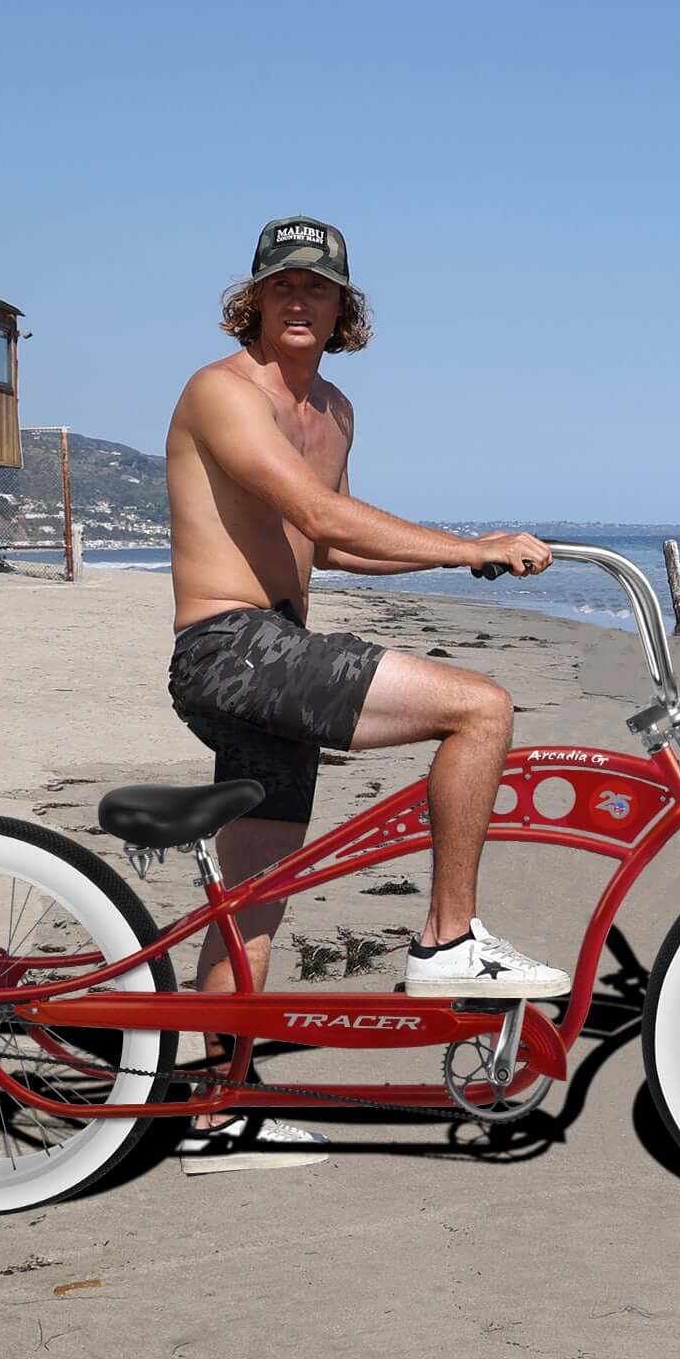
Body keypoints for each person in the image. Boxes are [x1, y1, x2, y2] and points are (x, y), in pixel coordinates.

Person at [164, 215, 566, 1173]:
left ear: (344, 307)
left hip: (278, 650)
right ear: (252, 301)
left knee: (256, 900)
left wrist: (459, 567)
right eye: (282, 287)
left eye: (319, 288)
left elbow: (327, 545)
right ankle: (447, 940)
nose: (300, 301)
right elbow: (312, 509)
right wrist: (470, 543)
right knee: (480, 708)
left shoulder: (334, 412)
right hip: (229, 647)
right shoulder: (221, 392)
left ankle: (217, 1114)